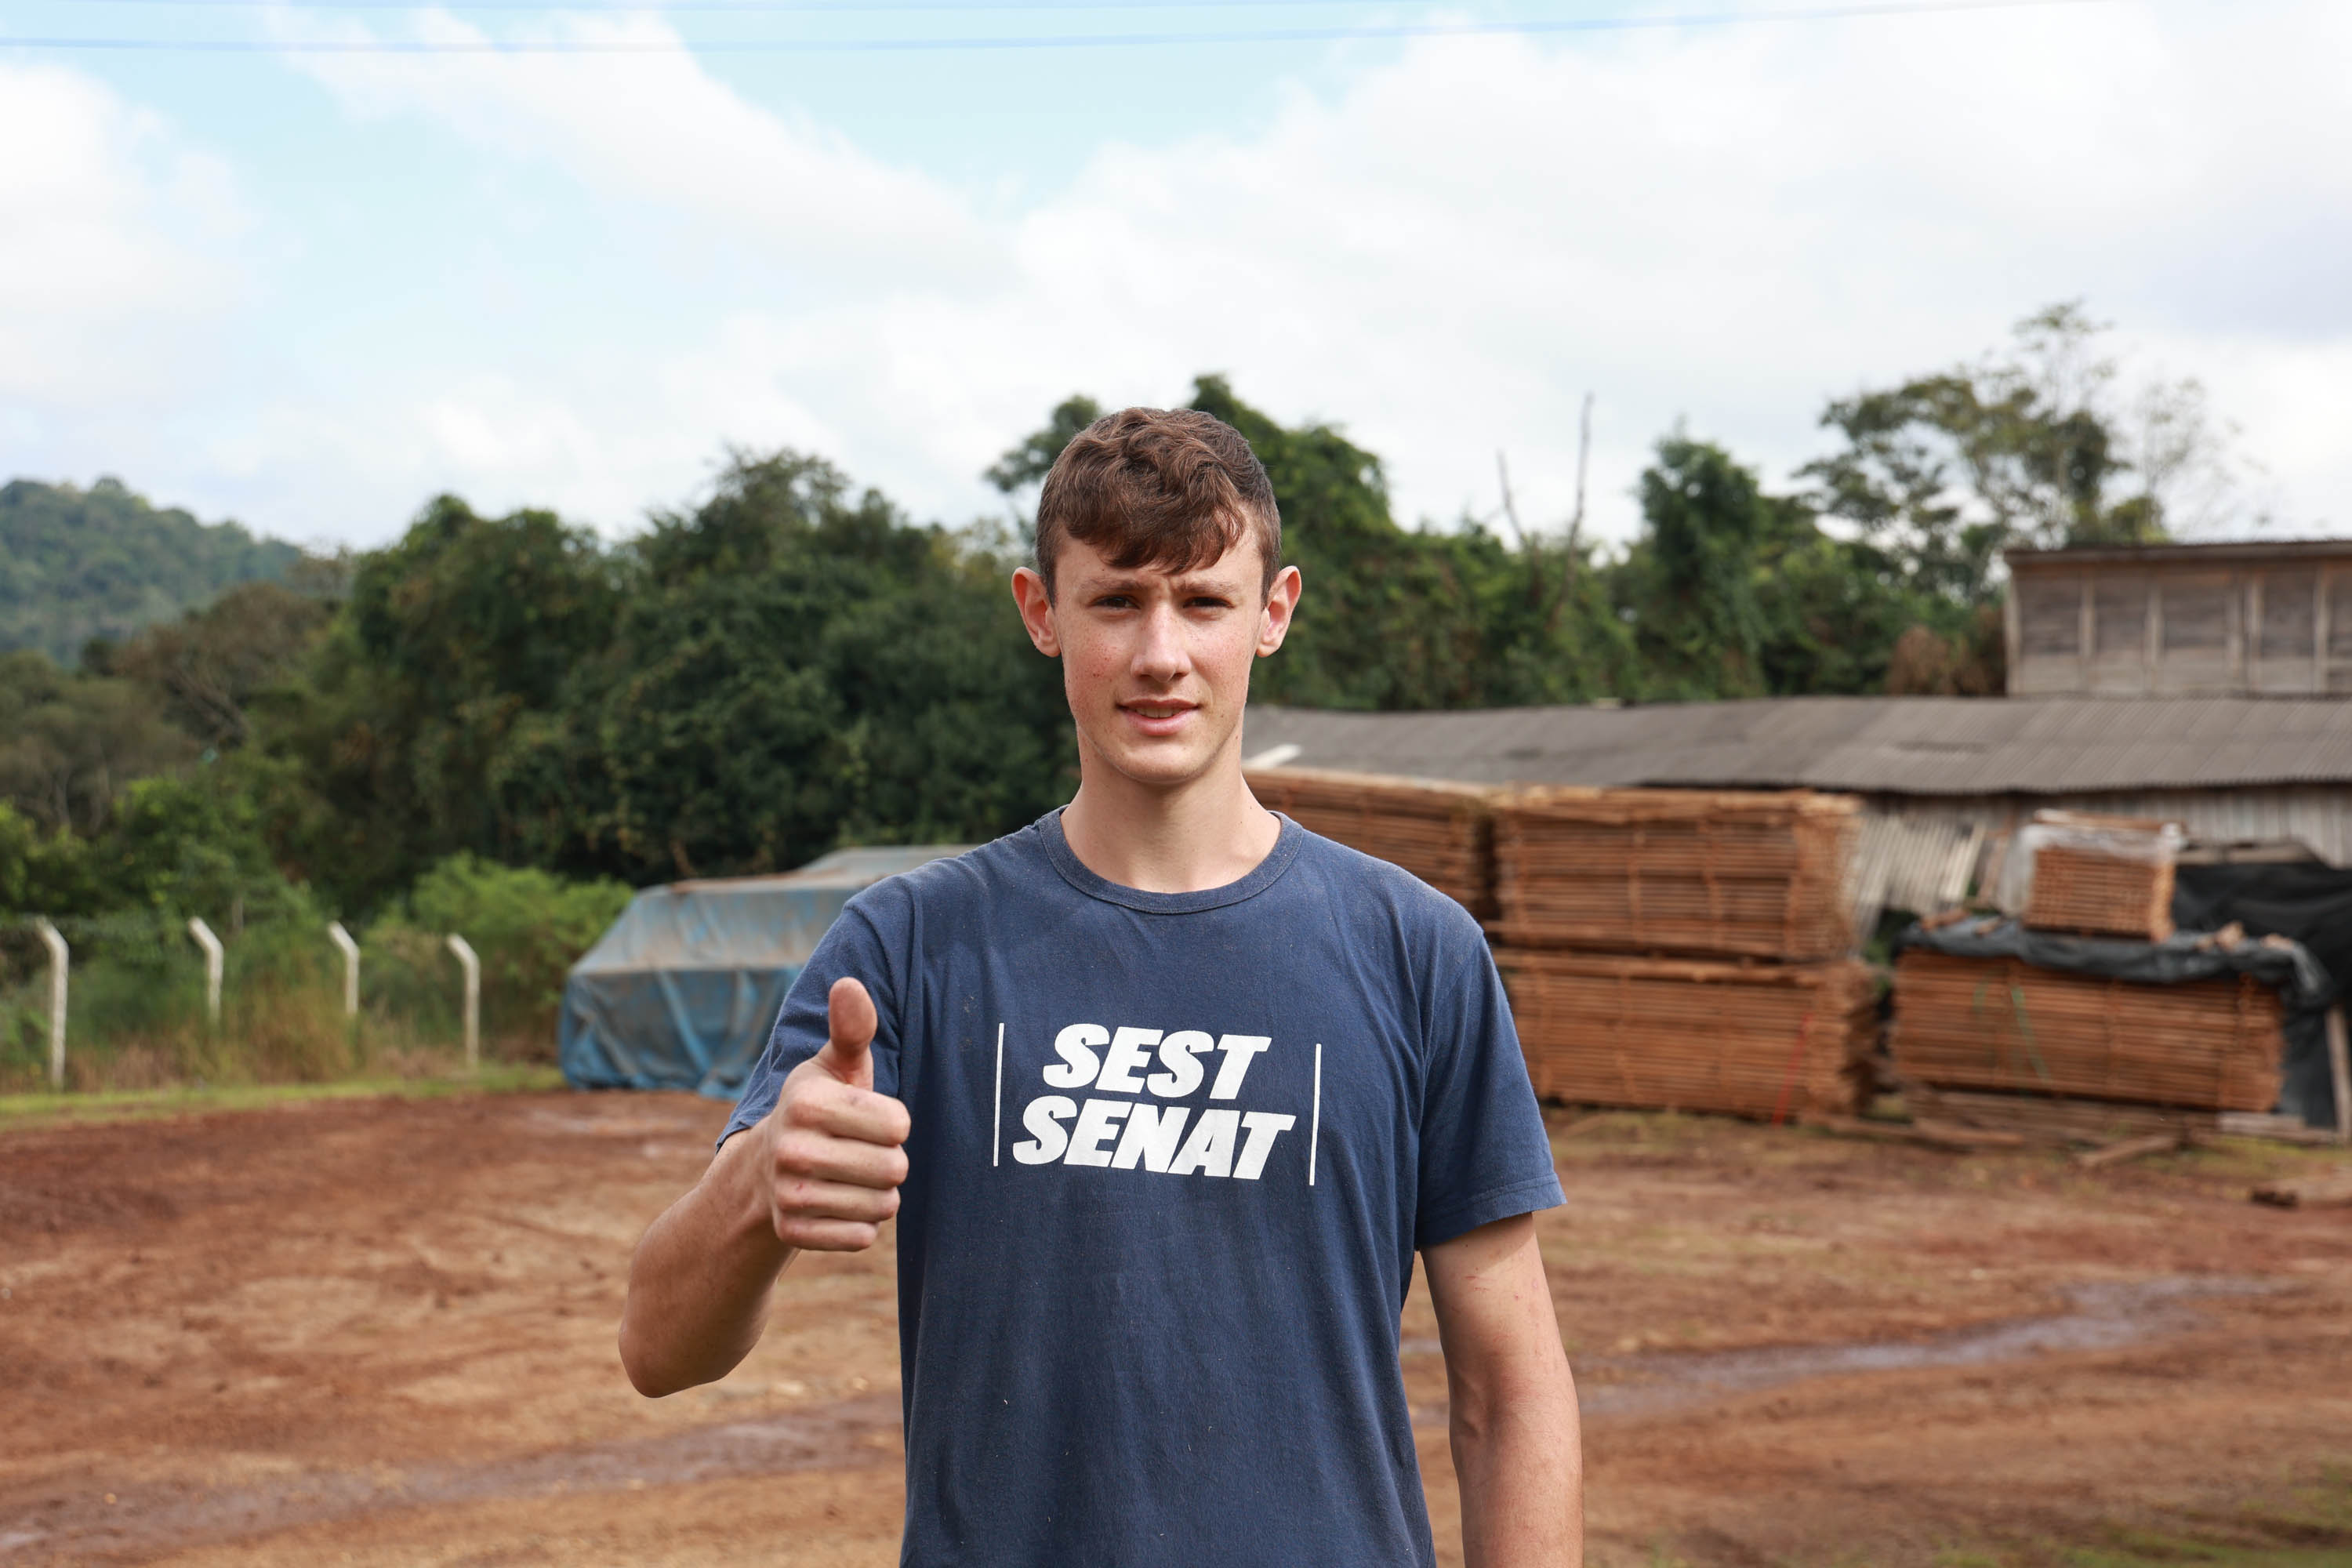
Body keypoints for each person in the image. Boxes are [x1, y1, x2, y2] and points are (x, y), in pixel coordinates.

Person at [619, 406, 1581, 1565]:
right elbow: (658, 1347)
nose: (1160, 654)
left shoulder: (1414, 953)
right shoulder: (913, 947)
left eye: (1205, 602)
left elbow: (1508, 1391)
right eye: (1117, 600)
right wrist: (762, 1183)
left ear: (1273, 614)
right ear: (1043, 612)